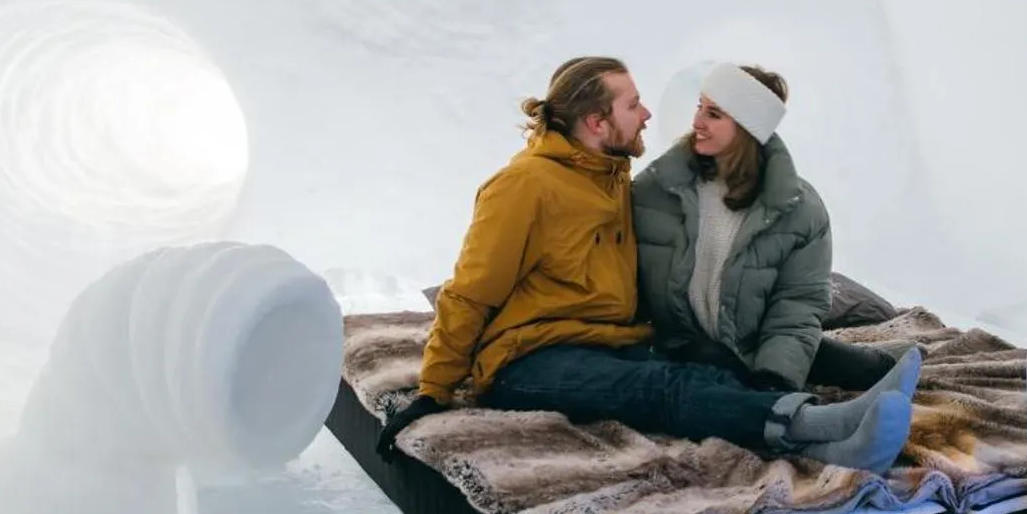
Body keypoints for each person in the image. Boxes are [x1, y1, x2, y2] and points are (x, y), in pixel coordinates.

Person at [376, 57, 918, 474]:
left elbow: (783, 299)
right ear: (595, 121)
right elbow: (471, 291)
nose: (651, 114)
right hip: (529, 358)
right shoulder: (525, 186)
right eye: (633, 104)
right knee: (666, 388)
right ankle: (813, 424)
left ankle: (851, 395)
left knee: (703, 368)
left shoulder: (609, 173)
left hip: (607, 339)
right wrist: (433, 389)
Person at [632, 62, 910, 393]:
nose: (697, 122)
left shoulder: (799, 208)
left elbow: (798, 302)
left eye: (715, 114)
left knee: (839, 363)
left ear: (749, 128)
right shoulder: (656, 189)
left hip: (759, 339)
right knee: (717, 361)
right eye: (699, 107)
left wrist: (774, 378)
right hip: (686, 344)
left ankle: (885, 364)